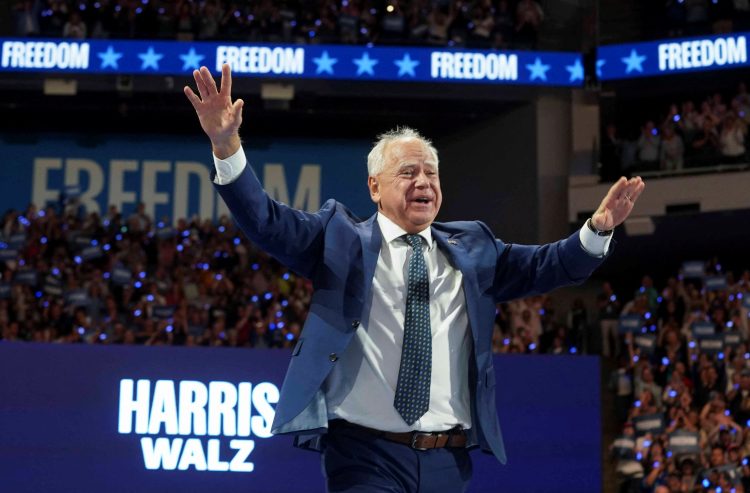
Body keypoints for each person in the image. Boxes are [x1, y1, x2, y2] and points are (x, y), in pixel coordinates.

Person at [184, 64, 646, 492]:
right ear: (374, 187)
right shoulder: (338, 238)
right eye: (408, 172)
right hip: (363, 454)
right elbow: (266, 221)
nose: (423, 181)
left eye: (431, 172)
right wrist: (227, 147)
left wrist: (597, 230)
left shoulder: (475, 247)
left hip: (449, 458)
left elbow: (550, 265)